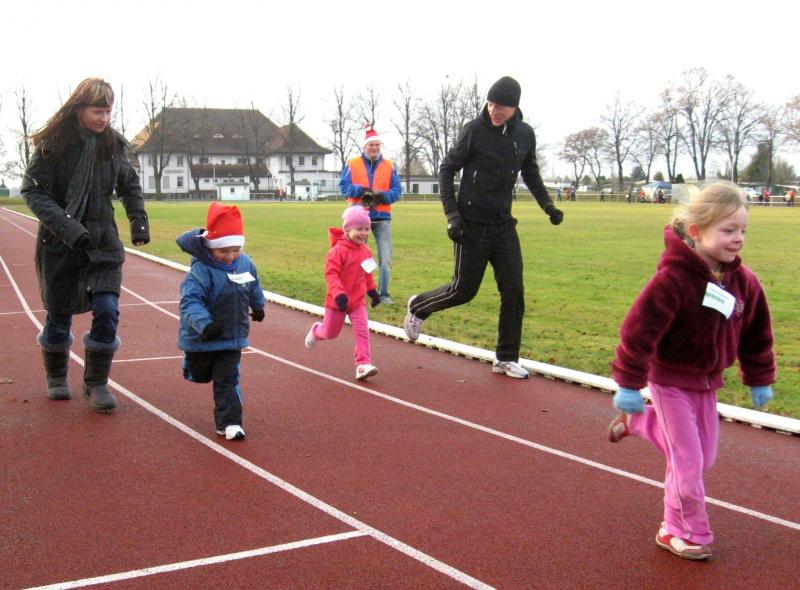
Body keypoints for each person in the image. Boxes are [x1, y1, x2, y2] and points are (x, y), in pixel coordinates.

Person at [608, 183, 776, 560]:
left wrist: (760, 378)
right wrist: (629, 384)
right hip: (668, 382)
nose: (738, 239)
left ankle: (641, 423)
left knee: (704, 459)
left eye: (743, 230)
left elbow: (757, 334)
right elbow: (638, 331)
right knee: (688, 465)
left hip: (707, 383)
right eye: (728, 230)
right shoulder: (673, 280)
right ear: (697, 231)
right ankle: (681, 530)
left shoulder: (744, 283)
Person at [403, 76, 564, 379]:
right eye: (490, 104)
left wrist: (548, 206)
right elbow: (447, 169)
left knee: (514, 291)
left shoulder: (525, 135)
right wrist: (452, 215)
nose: (494, 111)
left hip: (503, 225)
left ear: (514, 107)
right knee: (463, 291)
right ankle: (419, 306)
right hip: (470, 225)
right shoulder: (474, 130)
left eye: (500, 106)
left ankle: (506, 358)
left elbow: (531, 173)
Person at [21, 78, 150, 413]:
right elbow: (33, 192)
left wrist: (138, 219)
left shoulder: (113, 145)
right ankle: (56, 375)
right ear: (78, 109)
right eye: (97, 111)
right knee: (59, 314)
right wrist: (68, 227)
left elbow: (129, 185)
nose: (104, 118)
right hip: (60, 243)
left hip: (102, 241)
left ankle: (96, 382)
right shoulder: (53, 144)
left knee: (107, 309)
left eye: (108, 111)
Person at [177, 202, 265, 440]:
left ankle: (230, 423)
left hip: (231, 337)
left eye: (235, 250)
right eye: (223, 251)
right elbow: (190, 302)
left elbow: (254, 284)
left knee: (227, 379)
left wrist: (258, 305)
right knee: (200, 373)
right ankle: (190, 364)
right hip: (202, 337)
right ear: (211, 247)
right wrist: (205, 324)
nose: (230, 256)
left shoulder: (245, 263)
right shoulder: (200, 271)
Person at [305, 206, 382, 381]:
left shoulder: (366, 250)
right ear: (347, 229)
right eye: (359, 229)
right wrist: (339, 294)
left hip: (357, 301)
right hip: (337, 301)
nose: (363, 233)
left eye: (366, 229)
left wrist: (372, 291)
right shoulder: (337, 251)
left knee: (362, 331)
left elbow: (368, 273)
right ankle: (316, 330)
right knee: (330, 333)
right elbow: (331, 274)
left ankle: (363, 364)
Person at [339, 126, 402, 305]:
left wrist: (381, 196)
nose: (374, 148)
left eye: (377, 145)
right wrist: (362, 191)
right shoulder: (352, 164)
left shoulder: (389, 166)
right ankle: (358, 290)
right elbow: (344, 188)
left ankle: (383, 294)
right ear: (365, 146)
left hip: (382, 218)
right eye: (371, 145)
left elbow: (397, 191)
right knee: (357, 257)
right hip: (358, 218)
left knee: (385, 258)